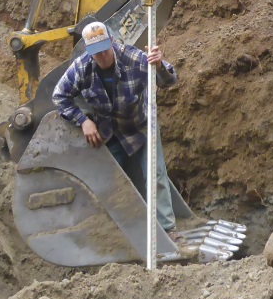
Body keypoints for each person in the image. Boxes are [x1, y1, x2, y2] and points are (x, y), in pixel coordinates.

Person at [52, 19, 180, 239]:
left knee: (155, 175)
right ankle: (118, 232)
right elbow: (59, 96)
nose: (101, 57)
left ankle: (168, 230)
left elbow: (168, 81)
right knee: (109, 181)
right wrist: (83, 120)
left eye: (104, 50)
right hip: (109, 133)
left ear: (112, 41)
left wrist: (159, 66)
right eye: (95, 53)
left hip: (140, 127)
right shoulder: (82, 68)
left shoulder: (133, 59)